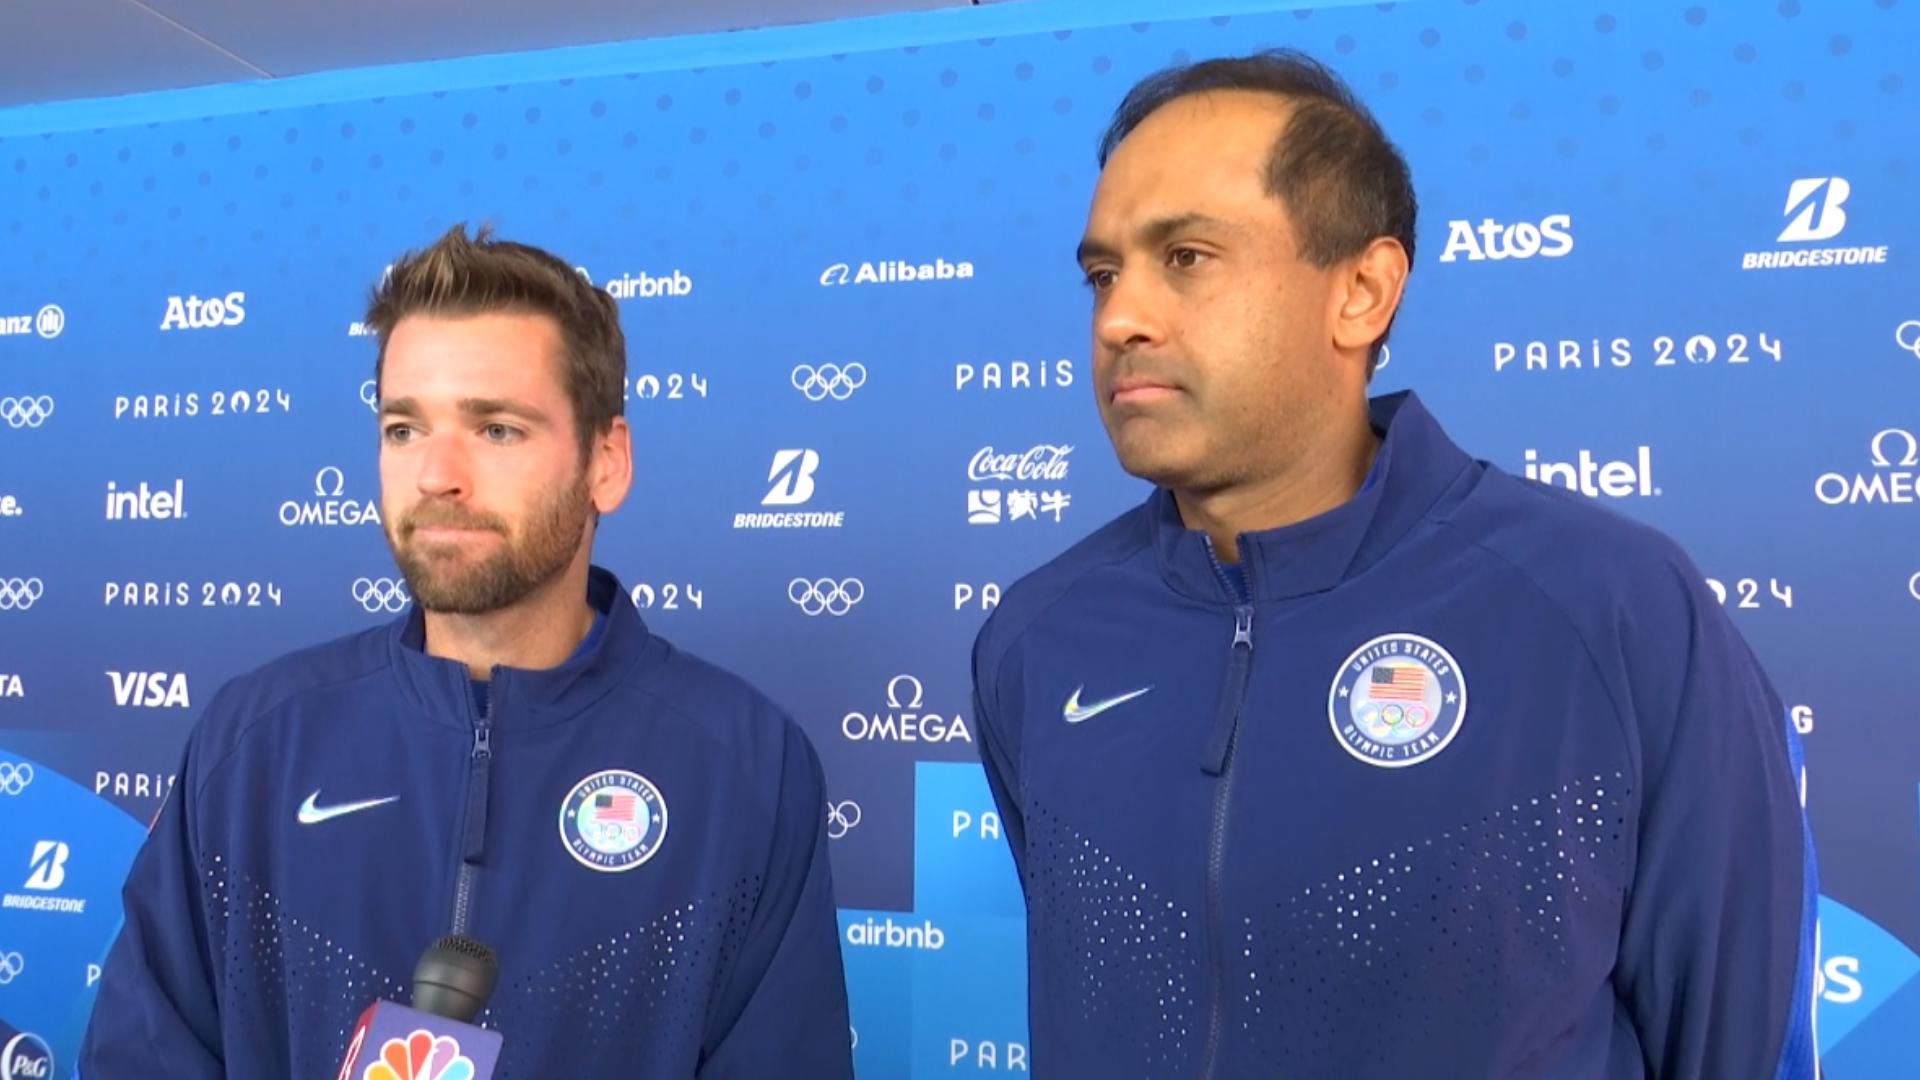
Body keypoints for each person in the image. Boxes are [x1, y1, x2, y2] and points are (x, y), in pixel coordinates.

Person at [970, 51, 1817, 1079]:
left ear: (1362, 290)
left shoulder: (1612, 611)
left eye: (1185, 257)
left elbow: (1731, 1036)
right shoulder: (1038, 637)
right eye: (1103, 274)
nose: (1118, 319)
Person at [80, 226, 854, 1079]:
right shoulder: (254, 740)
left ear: (607, 462)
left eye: (496, 430)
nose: (435, 475)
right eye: (405, 428)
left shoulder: (746, 764)